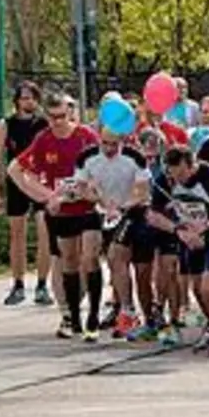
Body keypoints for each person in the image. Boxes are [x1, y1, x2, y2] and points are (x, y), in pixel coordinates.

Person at [8, 92, 101, 340]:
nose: (58, 122)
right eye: (52, 118)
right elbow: (16, 169)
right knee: (66, 260)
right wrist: (46, 196)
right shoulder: (43, 140)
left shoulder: (86, 136)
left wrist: (91, 191)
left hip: (88, 208)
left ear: (69, 113)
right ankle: (69, 314)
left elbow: (102, 167)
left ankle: (93, 313)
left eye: (62, 116)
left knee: (89, 257)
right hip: (61, 212)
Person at [147, 146, 209, 354]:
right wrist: (178, 231)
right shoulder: (166, 180)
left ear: (191, 166)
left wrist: (205, 226)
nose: (177, 179)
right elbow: (153, 215)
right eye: (172, 173)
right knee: (197, 288)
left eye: (181, 173)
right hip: (188, 237)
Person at [75, 129, 151, 338]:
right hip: (103, 211)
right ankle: (109, 309)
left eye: (113, 145)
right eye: (105, 143)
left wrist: (121, 206)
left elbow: (142, 192)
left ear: (122, 141)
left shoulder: (134, 158)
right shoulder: (87, 157)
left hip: (131, 211)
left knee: (125, 262)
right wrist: (98, 200)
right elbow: (81, 188)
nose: (109, 149)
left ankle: (135, 310)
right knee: (100, 256)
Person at [0, 81, 52, 307]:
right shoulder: (6, 125)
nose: (29, 101)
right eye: (24, 97)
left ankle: (42, 284)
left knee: (44, 232)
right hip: (16, 180)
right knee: (16, 234)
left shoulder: (44, 125)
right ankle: (18, 284)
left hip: (39, 181)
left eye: (32, 97)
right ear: (17, 100)